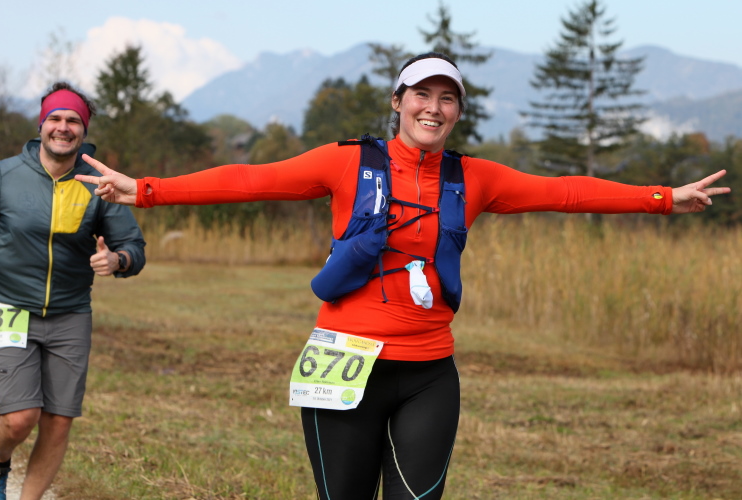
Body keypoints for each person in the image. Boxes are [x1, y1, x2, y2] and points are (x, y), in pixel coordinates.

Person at [75, 53, 729, 500]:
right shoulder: (346, 163)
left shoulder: (474, 178)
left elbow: (565, 191)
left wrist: (663, 198)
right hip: (344, 362)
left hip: (428, 372)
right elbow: (250, 179)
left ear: (458, 112)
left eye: (448, 99)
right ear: (398, 102)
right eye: (422, 95)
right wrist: (148, 190)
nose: (434, 108)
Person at [0, 82, 146, 500]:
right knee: (19, 418)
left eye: (73, 120)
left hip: (71, 314)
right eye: (55, 118)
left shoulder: (99, 184)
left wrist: (117, 261)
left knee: (58, 421)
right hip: (10, 308)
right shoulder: (2, 177)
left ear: (84, 130)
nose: (63, 127)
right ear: (41, 125)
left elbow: (134, 248)